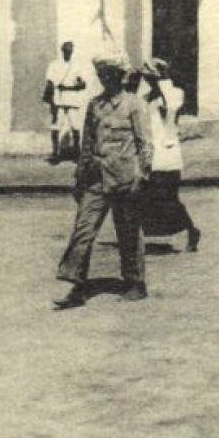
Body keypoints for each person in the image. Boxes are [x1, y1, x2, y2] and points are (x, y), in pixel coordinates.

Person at [55, 52, 153, 306]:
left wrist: (142, 175)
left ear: (119, 77)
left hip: (124, 178)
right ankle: (76, 286)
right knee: (83, 230)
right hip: (96, 179)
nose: (104, 79)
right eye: (101, 75)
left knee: (129, 232)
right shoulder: (94, 105)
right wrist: (80, 176)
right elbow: (87, 144)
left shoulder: (134, 104)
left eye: (108, 75)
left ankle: (135, 283)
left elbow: (145, 143)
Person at [136, 58, 201, 253]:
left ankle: (191, 230)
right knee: (145, 195)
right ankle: (138, 239)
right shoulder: (146, 97)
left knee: (169, 198)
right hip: (150, 153)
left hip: (168, 154)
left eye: (151, 76)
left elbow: (169, 108)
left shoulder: (174, 94)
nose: (148, 80)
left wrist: (162, 81)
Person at [43, 40, 91, 163]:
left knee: (75, 127)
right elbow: (49, 83)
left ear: (72, 51)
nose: (68, 53)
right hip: (58, 100)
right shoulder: (54, 65)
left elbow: (83, 84)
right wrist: (50, 99)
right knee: (56, 127)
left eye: (70, 51)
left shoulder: (76, 66)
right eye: (66, 50)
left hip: (72, 101)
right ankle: (55, 153)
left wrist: (72, 86)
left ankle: (76, 153)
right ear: (62, 50)